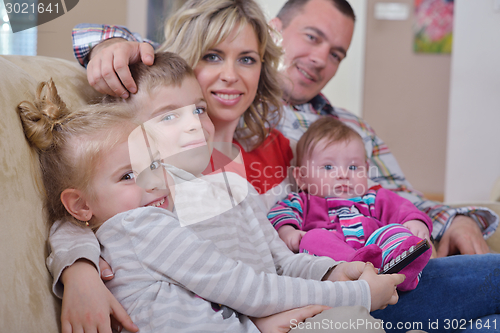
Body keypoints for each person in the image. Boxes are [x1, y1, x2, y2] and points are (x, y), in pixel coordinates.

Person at [67, 0, 500, 331]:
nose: (232, 75)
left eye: (248, 60)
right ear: (183, 64)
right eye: (212, 57)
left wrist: (453, 219)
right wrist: (78, 268)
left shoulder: (287, 138)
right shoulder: (157, 164)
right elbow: (97, 202)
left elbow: (381, 193)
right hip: (324, 304)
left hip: (351, 278)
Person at [22, 57, 402, 332]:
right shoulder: (141, 212)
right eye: (169, 115)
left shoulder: (230, 188)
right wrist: (78, 269)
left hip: (281, 306)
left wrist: (331, 273)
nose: (193, 125)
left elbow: (280, 262)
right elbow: (70, 223)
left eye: (198, 109)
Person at [268, 117, 432, 291]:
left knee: (397, 231)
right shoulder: (304, 201)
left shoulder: (374, 198)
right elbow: (281, 213)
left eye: (353, 167)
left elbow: (402, 208)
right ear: (301, 178)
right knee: (313, 238)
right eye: (328, 167)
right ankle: (356, 266)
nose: (343, 174)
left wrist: (416, 222)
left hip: (377, 253)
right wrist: (287, 231)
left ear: (366, 171)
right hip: (337, 266)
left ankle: (401, 275)